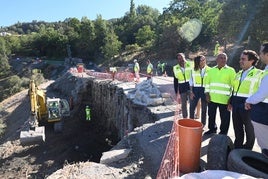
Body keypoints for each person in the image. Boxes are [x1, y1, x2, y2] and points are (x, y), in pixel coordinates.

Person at [229, 50, 261, 149]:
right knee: (237, 127)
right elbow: (234, 89)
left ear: (251, 61)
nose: (240, 61)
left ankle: (248, 149)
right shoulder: (238, 73)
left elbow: (261, 91)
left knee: (249, 129)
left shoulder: (259, 74)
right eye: (240, 59)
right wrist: (231, 102)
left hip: (249, 104)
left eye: (243, 59)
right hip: (236, 103)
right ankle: (237, 147)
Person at [245, 43, 268, 158]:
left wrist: (248, 101)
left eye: (261, 52)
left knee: (265, 146)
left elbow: (262, 93)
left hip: (264, 112)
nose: (259, 54)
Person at [204, 53, 236, 135]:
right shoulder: (211, 71)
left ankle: (223, 132)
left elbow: (234, 86)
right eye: (221, 58)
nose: (223, 60)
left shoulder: (231, 71)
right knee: (211, 115)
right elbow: (207, 84)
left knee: (225, 118)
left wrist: (231, 99)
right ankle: (212, 129)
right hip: (212, 98)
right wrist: (207, 94)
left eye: (224, 58)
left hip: (225, 99)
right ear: (217, 59)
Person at [189, 55, 211, 126]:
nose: (203, 61)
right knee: (192, 107)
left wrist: (209, 92)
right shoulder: (193, 69)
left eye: (204, 60)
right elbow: (191, 81)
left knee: (204, 109)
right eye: (201, 60)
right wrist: (191, 92)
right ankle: (191, 123)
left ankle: (203, 124)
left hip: (205, 90)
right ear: (197, 61)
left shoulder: (210, 70)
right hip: (195, 89)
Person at [173, 53, 192, 118]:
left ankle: (192, 117)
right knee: (183, 103)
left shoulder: (190, 64)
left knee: (192, 102)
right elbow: (175, 80)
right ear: (177, 60)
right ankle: (185, 117)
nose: (180, 59)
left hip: (190, 86)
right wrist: (176, 91)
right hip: (182, 86)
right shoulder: (175, 68)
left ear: (184, 57)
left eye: (181, 57)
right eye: (179, 58)